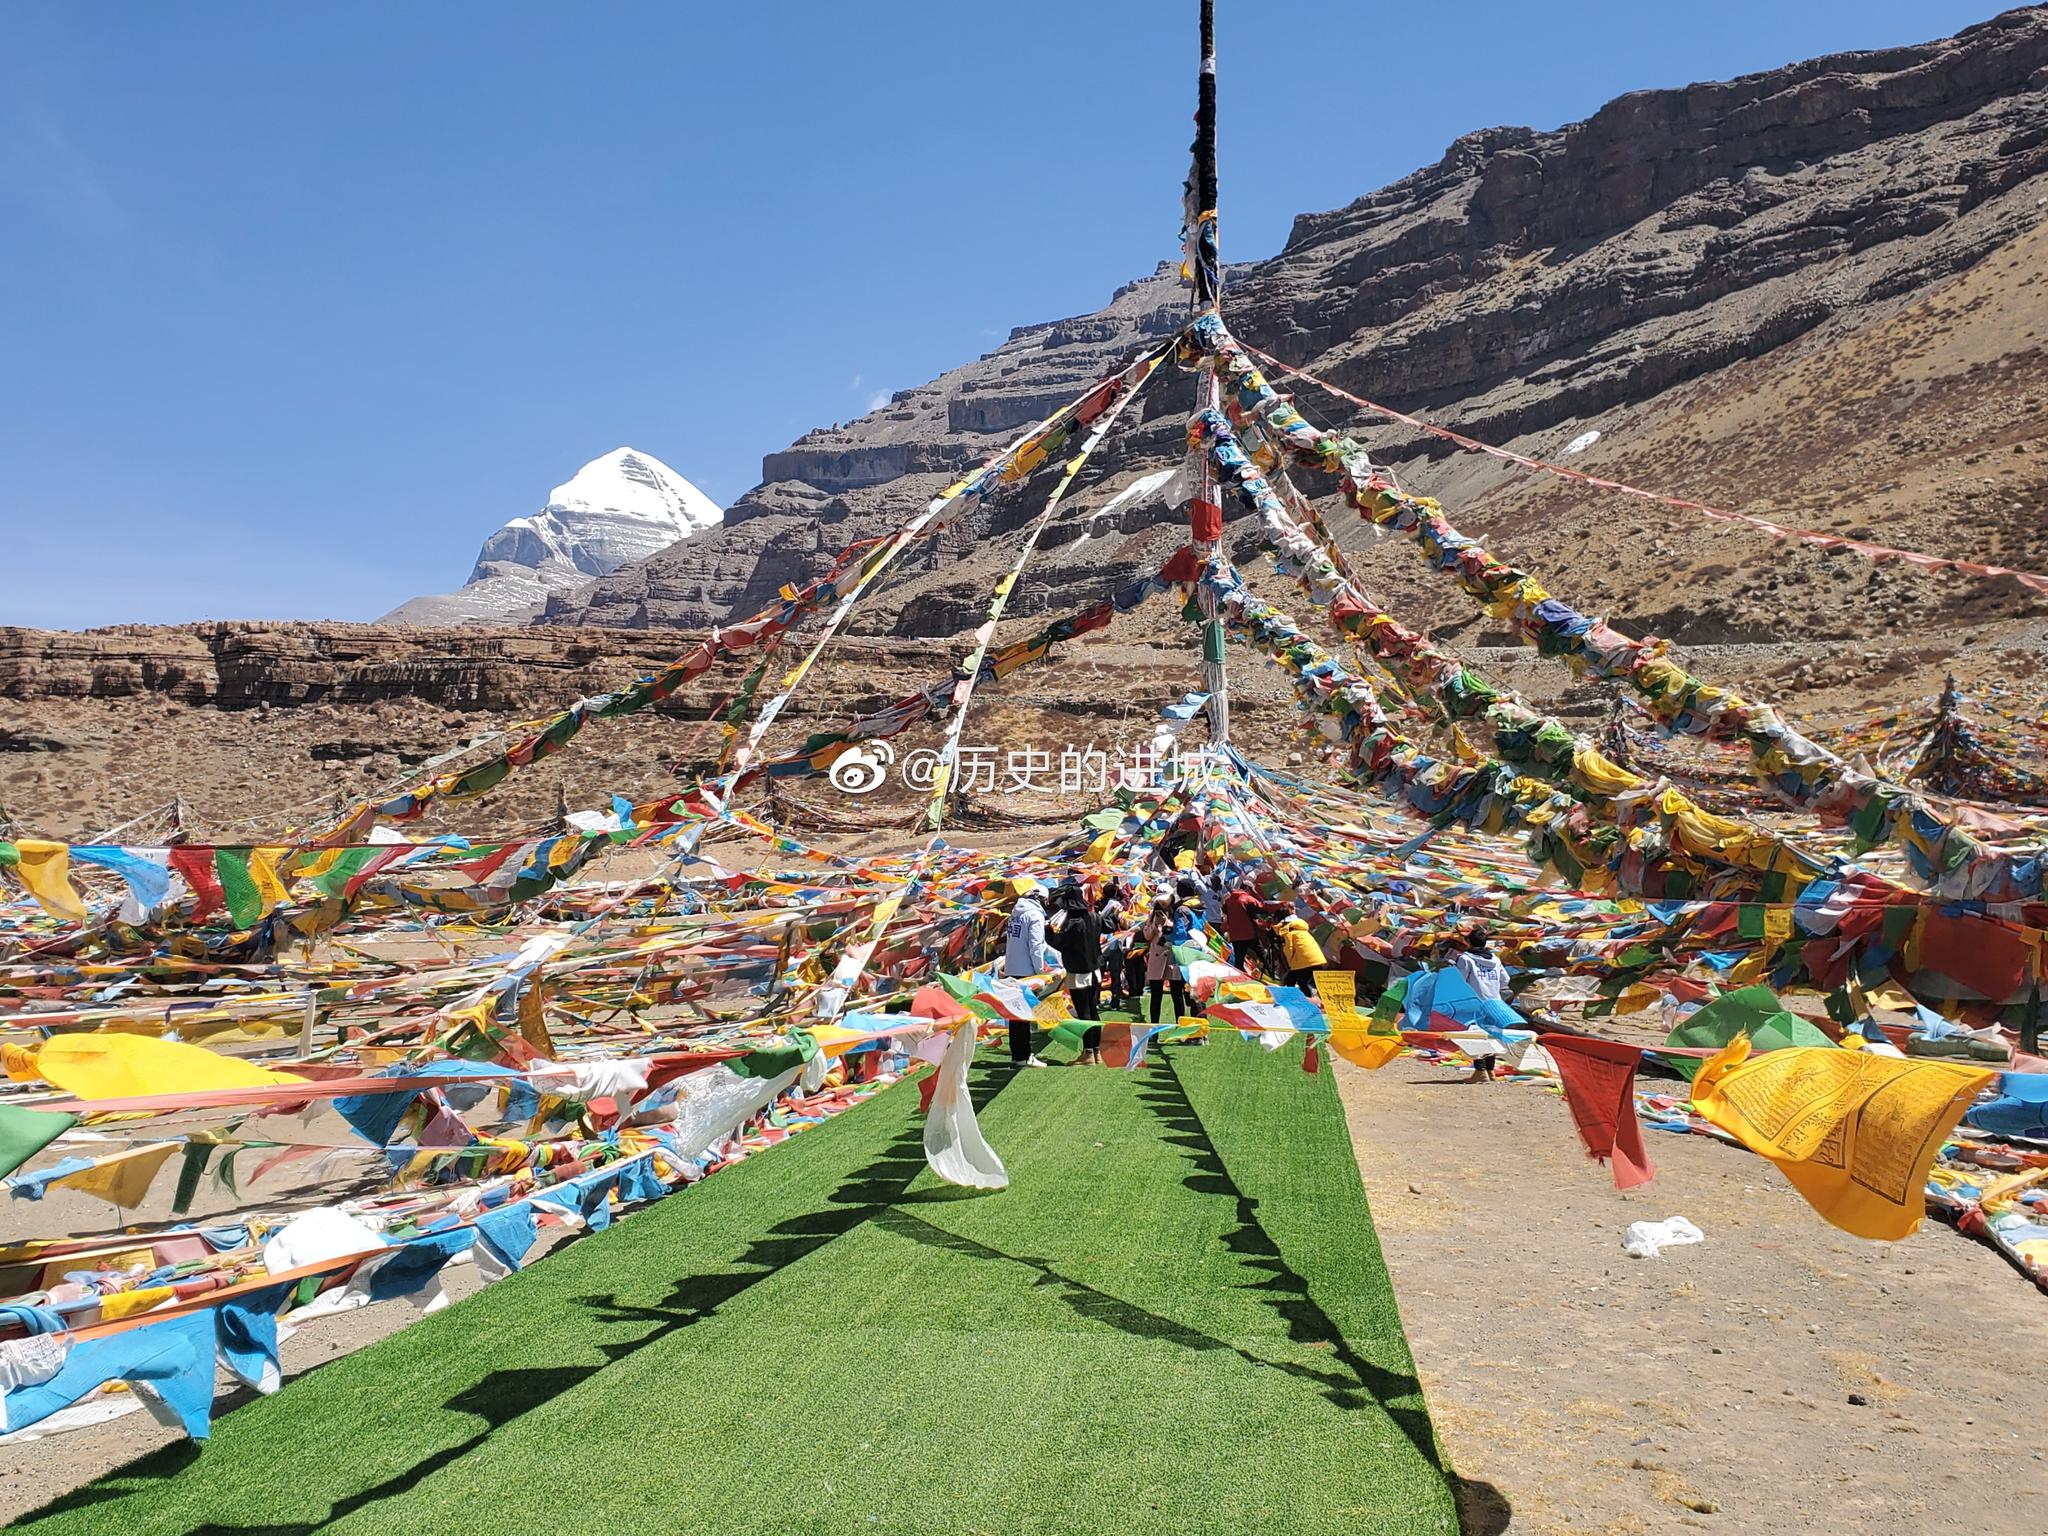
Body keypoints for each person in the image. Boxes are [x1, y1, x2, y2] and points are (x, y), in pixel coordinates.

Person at [1001, 877, 1061, 1068]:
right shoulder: (1034, 916)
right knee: (1023, 1015)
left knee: (1015, 1016)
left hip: (1012, 968)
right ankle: (1024, 1055)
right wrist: (1040, 971)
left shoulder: (1015, 914)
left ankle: (1018, 1054)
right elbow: (1036, 946)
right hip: (1026, 971)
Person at [1048, 881, 1105, 1065]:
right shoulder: (1095, 918)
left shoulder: (1074, 924)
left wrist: (1048, 931)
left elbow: (1059, 943)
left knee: (1084, 1013)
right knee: (1093, 1010)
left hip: (1079, 971)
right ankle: (1096, 1050)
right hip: (1095, 968)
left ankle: (1088, 1051)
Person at [1449, 928, 1511, 1082]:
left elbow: (1459, 981)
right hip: (1495, 1002)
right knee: (1492, 1036)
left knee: (1476, 1036)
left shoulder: (1465, 959)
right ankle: (1490, 1071)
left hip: (1475, 1003)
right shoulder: (1495, 960)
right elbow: (1505, 980)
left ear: (1468, 942)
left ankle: (1480, 1071)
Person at [1142, 886, 1191, 1026]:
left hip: (1172, 957)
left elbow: (1179, 933)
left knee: (1177, 995)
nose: (1162, 904)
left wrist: (1166, 923)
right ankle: (1153, 1028)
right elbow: (1147, 936)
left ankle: (1180, 1026)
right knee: (1156, 996)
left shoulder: (1177, 912)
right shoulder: (1152, 914)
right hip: (1157, 958)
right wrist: (1154, 926)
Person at [1222, 873, 1289, 972]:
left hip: (1235, 935)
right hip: (1248, 933)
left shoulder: (1229, 900)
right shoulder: (1247, 898)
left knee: (1239, 960)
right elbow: (1263, 907)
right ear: (1248, 889)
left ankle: (1239, 978)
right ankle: (1271, 972)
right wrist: (1280, 904)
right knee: (1261, 954)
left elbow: (1225, 911)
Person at [1274, 912, 1327, 995]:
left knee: (1293, 980)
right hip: (1317, 960)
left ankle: (1298, 998)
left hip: (1305, 962)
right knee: (1302, 981)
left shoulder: (1290, 934)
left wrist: (1290, 963)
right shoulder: (1304, 932)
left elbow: (1289, 949)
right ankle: (1308, 998)